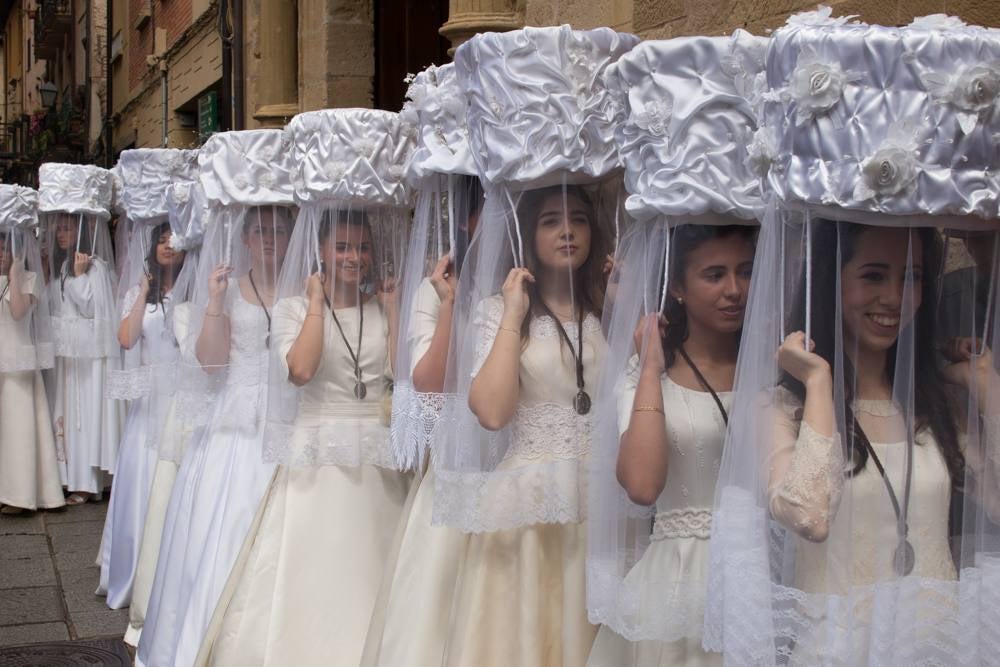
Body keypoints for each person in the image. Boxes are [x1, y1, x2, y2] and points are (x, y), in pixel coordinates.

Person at [704, 13, 1000, 664]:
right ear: (832, 283)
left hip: (938, 644)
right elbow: (808, 513)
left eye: (913, 276)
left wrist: (984, 384)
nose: (895, 297)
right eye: (873, 275)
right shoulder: (773, 410)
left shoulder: (935, 407)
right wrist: (817, 383)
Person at [199, 109, 414, 666]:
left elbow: (398, 375)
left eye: (360, 248)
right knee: (318, 571)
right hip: (318, 456)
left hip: (376, 457)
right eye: (342, 248)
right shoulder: (296, 308)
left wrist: (391, 310)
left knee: (376, 566)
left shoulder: (380, 306)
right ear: (320, 252)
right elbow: (300, 370)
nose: (353, 257)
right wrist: (317, 302)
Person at [363, 63, 483, 667]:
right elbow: (428, 384)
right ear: (467, 218)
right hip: (459, 474)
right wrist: (452, 307)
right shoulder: (435, 291)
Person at [99, 221, 185, 610]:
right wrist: (144, 293)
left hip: (182, 394)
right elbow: (126, 338)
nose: (168, 247)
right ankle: (135, 569)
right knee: (142, 479)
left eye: (174, 241)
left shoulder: (192, 290)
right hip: (150, 399)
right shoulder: (140, 291)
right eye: (162, 241)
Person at [38, 163, 122, 505]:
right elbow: (53, 305)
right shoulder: (63, 265)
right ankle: (66, 474)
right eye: (59, 229)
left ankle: (87, 481)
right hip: (68, 356)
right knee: (66, 413)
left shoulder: (96, 266)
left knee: (84, 414)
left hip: (89, 358)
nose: (62, 234)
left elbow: (91, 308)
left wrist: (77, 277)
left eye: (68, 229)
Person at [0, 186, 63, 515]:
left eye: (5, 246)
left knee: (19, 429)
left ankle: (21, 494)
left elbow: (18, 312)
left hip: (19, 365)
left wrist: (14, 272)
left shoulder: (27, 279)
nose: (1, 252)